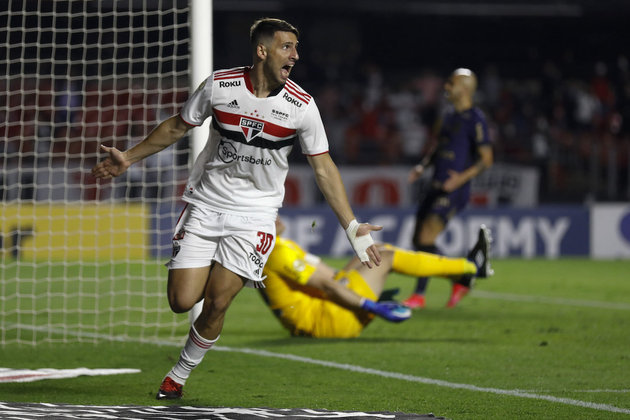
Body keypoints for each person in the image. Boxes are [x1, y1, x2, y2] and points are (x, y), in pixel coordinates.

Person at [91, 18, 382, 400]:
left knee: (218, 302)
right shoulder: (220, 85)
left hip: (256, 216)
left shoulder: (302, 106)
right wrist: (128, 157)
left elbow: (324, 168)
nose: (295, 54)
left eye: (296, 47)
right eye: (287, 47)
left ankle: (177, 376)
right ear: (262, 51)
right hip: (207, 204)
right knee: (181, 302)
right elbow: (178, 127)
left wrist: (351, 226)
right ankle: (211, 263)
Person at [258, 218, 493, 338]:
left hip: (325, 313)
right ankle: (470, 267)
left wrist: (363, 289)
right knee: (386, 257)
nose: (276, 215)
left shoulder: (279, 245)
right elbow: (329, 286)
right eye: (269, 213)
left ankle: (462, 274)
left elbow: (331, 277)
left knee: (374, 249)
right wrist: (372, 305)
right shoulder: (276, 252)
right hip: (328, 321)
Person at [402, 68, 494, 310]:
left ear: (463, 89)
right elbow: (437, 148)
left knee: (426, 238)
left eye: (450, 83)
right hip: (435, 185)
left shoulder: (476, 119)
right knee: (418, 240)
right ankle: (461, 278)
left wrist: (461, 178)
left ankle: (419, 296)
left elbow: (486, 159)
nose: (446, 88)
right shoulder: (448, 117)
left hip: (455, 189)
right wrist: (423, 165)